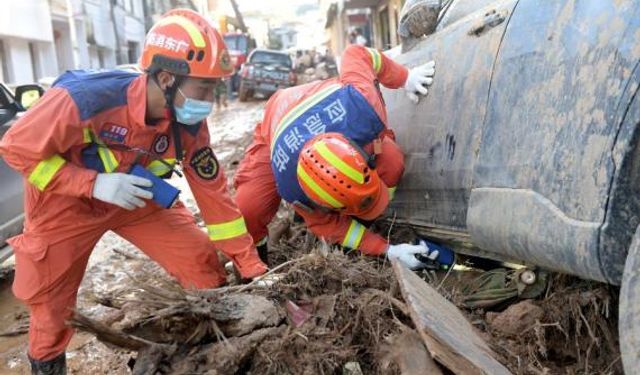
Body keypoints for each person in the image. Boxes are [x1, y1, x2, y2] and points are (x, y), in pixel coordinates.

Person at [0, 9, 266, 374]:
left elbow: (213, 194)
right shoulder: (84, 98)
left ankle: (202, 354)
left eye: (215, 87)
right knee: (50, 309)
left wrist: (251, 266)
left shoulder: (188, 122)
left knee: (202, 264)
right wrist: (93, 183)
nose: (211, 97)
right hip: (65, 206)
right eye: (204, 88)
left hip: (135, 197)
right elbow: (16, 149)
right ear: (168, 77)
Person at [234, 43, 438, 271]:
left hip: (327, 106)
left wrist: (404, 77)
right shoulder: (293, 189)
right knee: (249, 209)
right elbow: (331, 226)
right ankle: (254, 265)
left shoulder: (362, 103)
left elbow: (356, 53)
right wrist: (386, 249)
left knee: (391, 160)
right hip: (275, 126)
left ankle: (373, 218)